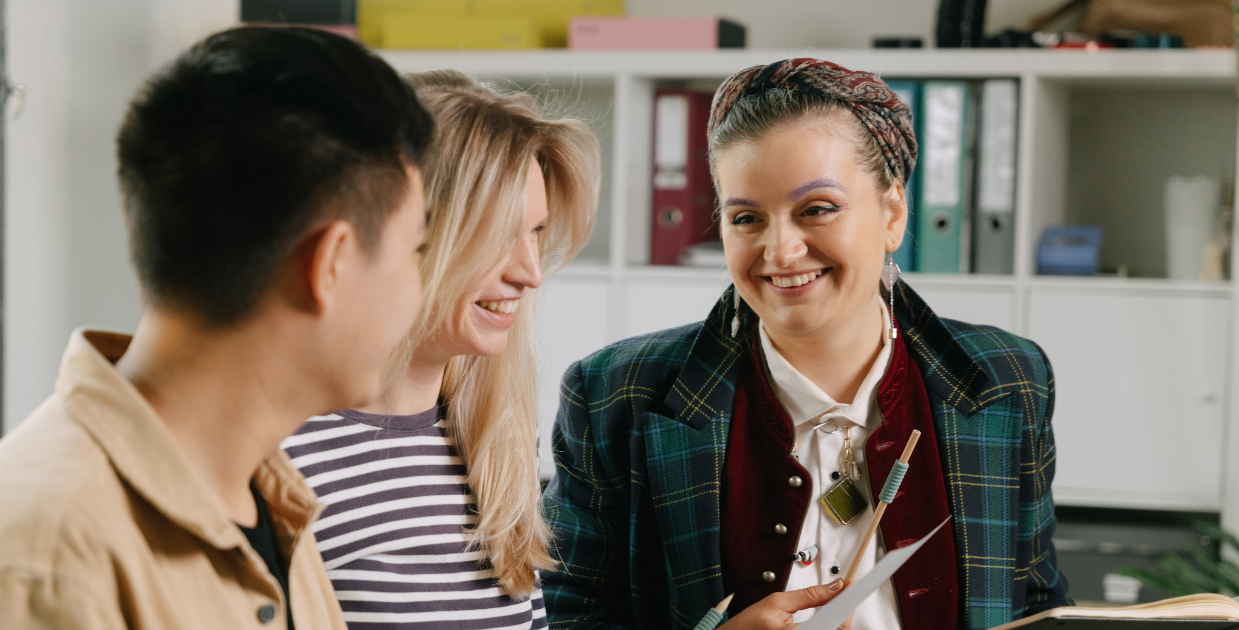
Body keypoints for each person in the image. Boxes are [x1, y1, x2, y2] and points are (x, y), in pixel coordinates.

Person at [541, 59, 1070, 630]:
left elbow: (1038, 609)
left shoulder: (1009, 381)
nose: (781, 251)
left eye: (816, 209)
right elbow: (558, 620)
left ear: (893, 213)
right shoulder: (614, 396)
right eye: (746, 218)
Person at [0, 27, 433, 629]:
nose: (421, 290)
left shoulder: (274, 508)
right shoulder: (48, 554)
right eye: (418, 250)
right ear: (329, 265)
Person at [282, 70, 598, 629]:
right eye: (500, 233)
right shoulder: (283, 455)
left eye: (536, 233)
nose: (530, 273)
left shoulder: (495, 439)